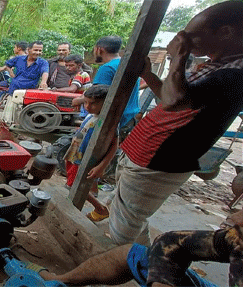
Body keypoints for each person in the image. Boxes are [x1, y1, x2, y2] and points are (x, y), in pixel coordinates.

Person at [109, 0, 243, 246]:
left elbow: (174, 100)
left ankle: (124, 272)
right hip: (144, 157)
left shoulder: (235, 73)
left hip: (158, 161)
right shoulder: (217, 66)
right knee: (129, 219)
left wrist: (178, 55)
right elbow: (174, 98)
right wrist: (149, 75)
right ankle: (135, 262)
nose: (185, 39)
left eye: (193, 36)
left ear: (225, 32)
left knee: (122, 231)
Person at [36, 209, 243, 287]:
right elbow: (170, 243)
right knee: (132, 254)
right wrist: (162, 284)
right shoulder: (239, 237)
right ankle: (60, 281)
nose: (234, 217)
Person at [63, 85, 116, 222]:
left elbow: (115, 145)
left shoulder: (109, 121)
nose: (87, 106)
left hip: (85, 159)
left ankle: (100, 209)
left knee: (77, 183)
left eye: (93, 103)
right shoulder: (92, 115)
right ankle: (76, 193)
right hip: (76, 154)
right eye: (85, 102)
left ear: (106, 103)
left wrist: (102, 166)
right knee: (73, 180)